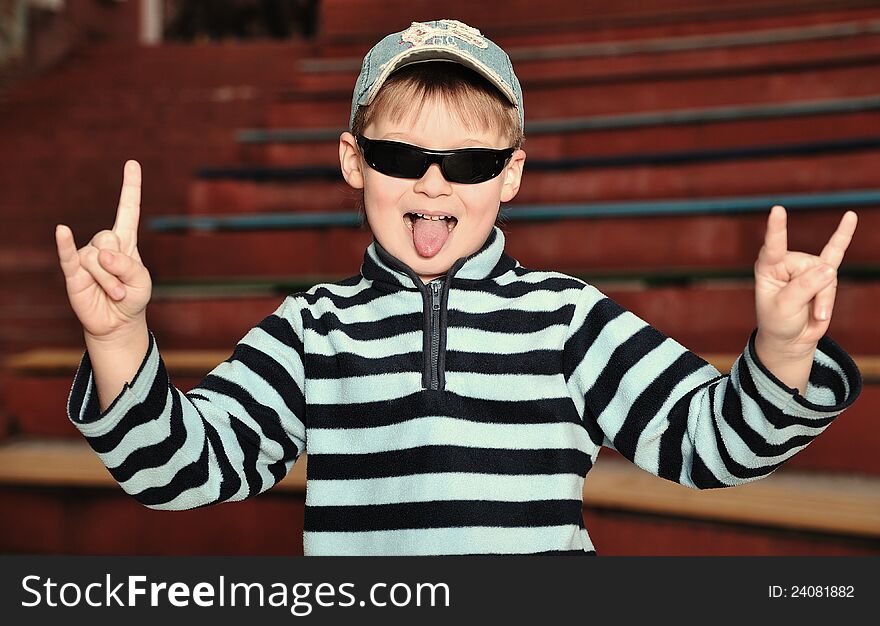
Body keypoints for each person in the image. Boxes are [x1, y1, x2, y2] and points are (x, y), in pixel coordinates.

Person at [55, 19, 861, 555]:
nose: (435, 183)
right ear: (352, 161)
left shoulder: (567, 318)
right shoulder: (310, 331)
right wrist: (120, 338)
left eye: (469, 161)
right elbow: (179, 471)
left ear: (510, 175)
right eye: (402, 156)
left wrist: (784, 352)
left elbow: (709, 446)